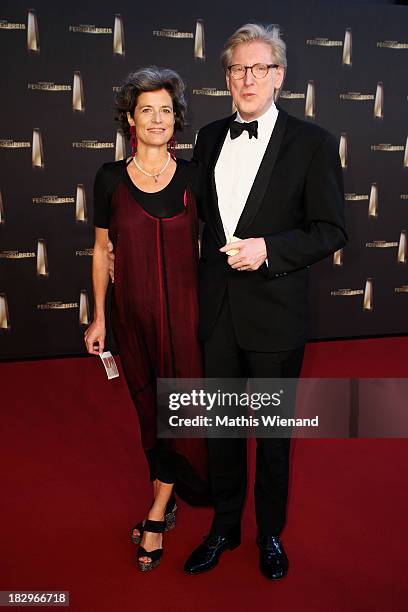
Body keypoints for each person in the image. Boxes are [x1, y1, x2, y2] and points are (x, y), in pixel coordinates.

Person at [183, 24, 347, 579]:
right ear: (226, 78)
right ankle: (224, 527)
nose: (247, 79)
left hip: (275, 314)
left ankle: (269, 533)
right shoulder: (207, 138)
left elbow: (330, 230)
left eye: (259, 68)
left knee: (273, 436)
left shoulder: (313, 143)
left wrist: (269, 250)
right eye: (237, 69)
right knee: (222, 429)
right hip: (218, 313)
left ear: (279, 77)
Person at [84, 67, 208, 573]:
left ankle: (157, 509)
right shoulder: (109, 178)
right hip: (130, 317)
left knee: (178, 412)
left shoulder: (197, 174)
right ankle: (166, 491)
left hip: (185, 320)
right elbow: (99, 251)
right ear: (130, 120)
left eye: (165, 110)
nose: (157, 119)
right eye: (146, 110)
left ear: (175, 119)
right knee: (149, 414)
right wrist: (98, 317)